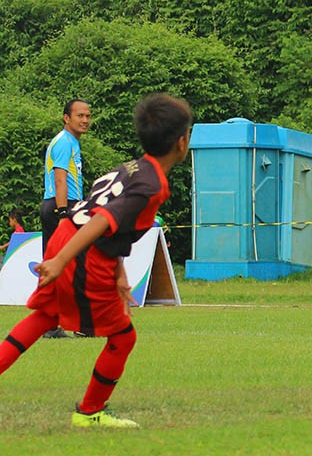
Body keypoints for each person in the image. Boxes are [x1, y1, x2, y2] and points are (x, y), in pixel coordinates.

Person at [0, 93, 192, 428]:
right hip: (81, 252)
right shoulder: (152, 185)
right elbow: (103, 220)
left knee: (46, 316)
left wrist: (119, 274)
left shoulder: (131, 167)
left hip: (68, 236)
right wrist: (61, 261)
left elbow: (111, 223)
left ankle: (90, 411)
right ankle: (89, 412)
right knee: (123, 337)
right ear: (181, 142)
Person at [38, 99, 92, 339]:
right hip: (61, 207)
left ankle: (52, 325)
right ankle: (81, 325)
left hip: (66, 206)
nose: (85, 120)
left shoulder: (72, 142)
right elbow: (60, 179)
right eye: (80, 116)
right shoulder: (64, 142)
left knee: (63, 264)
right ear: (66, 118)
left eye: (88, 116)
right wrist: (63, 214)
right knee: (76, 263)